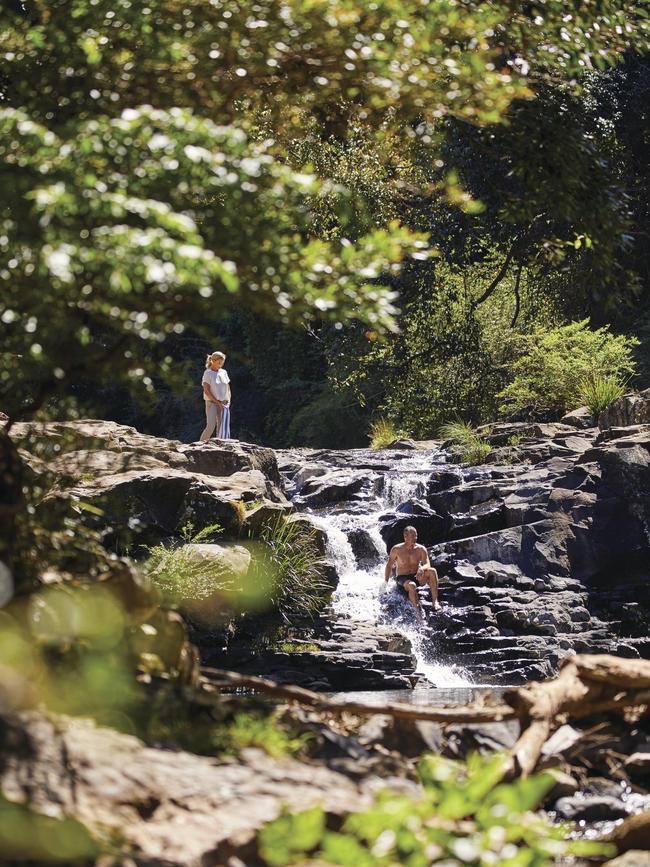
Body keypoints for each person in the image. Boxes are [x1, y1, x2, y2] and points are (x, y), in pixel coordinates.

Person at [384, 525, 441, 620]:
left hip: (417, 575)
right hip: (402, 579)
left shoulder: (421, 549)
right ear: (405, 537)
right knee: (412, 585)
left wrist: (422, 568)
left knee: (432, 571)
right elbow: (389, 565)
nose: (415, 538)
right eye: (412, 536)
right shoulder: (397, 549)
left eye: (416, 536)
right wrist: (385, 582)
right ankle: (417, 612)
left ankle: (435, 602)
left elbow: (427, 564)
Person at [199, 351, 232, 442]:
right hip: (212, 403)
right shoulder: (208, 373)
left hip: (224, 403)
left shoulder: (224, 372)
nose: (221, 364)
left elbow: (228, 388)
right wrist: (217, 403)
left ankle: (219, 447)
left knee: (221, 427)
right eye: (219, 362)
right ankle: (199, 445)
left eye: (222, 362)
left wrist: (228, 400)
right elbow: (206, 390)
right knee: (211, 426)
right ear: (213, 361)